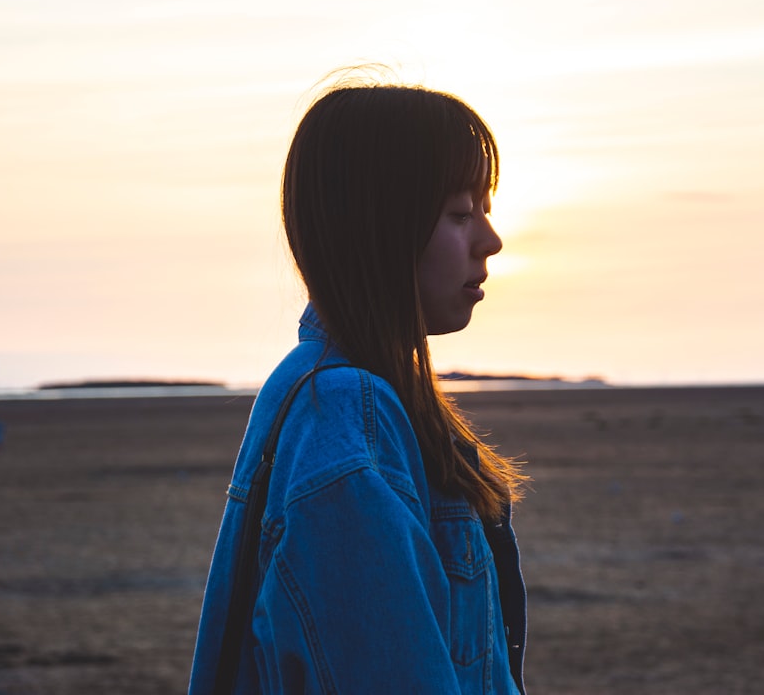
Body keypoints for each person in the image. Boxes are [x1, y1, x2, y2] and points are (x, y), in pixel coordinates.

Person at [188, 83, 528, 695]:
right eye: (460, 213)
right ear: (382, 228)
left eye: (485, 208)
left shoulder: (319, 389)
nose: (490, 240)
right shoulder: (347, 415)